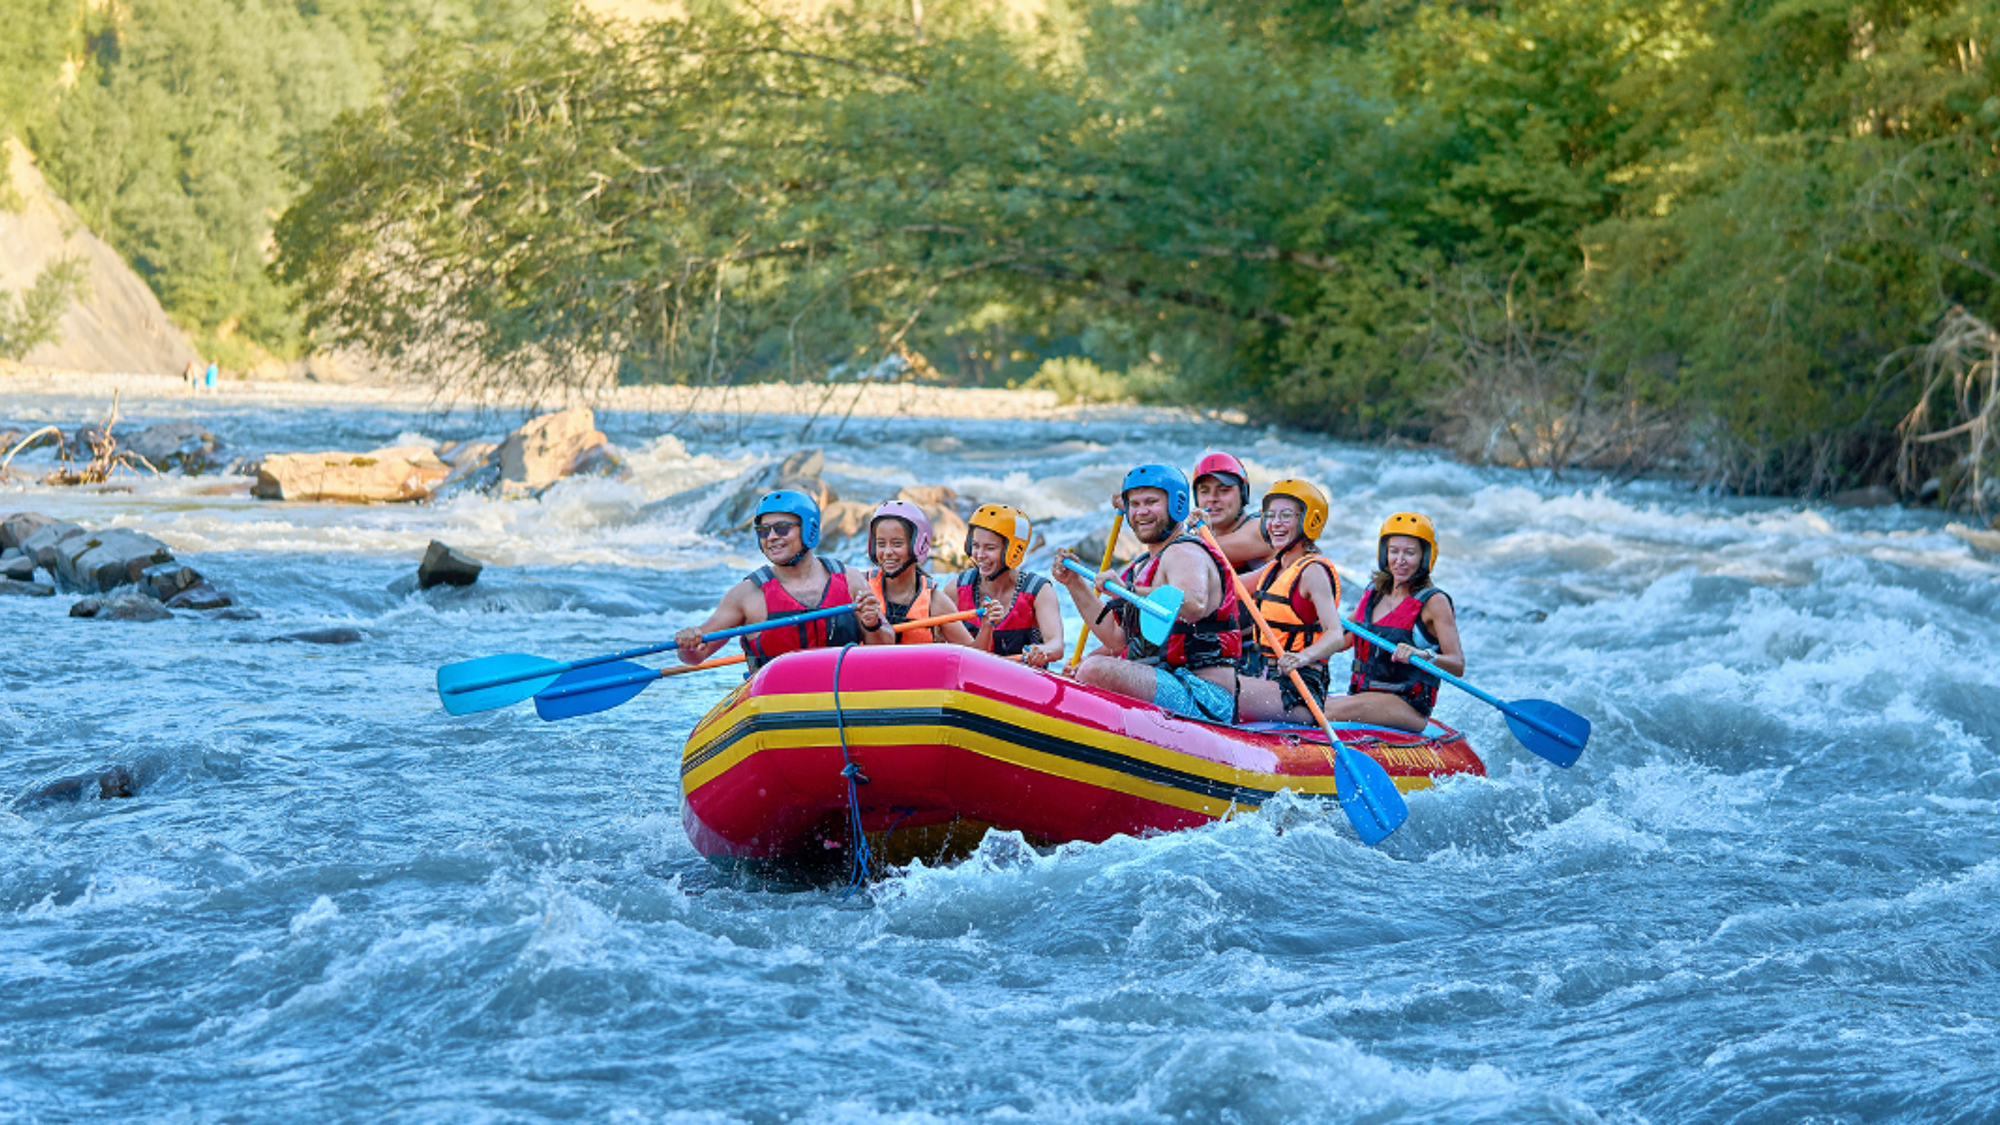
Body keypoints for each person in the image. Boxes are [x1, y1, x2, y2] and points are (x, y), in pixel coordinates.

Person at [1054, 464, 1242, 722]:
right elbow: (1116, 639)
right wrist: (1074, 584)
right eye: (1134, 504)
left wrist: (1127, 590)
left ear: (1177, 505)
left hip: (1204, 696)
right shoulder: (1139, 567)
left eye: (1151, 502)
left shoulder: (1184, 551)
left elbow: (1194, 602)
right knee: (1082, 669)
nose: (1141, 512)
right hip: (1163, 680)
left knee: (1095, 669)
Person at [674, 490, 892, 671]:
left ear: (809, 529)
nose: (771, 538)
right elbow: (696, 655)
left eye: (781, 528)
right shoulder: (746, 595)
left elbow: (886, 647)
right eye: (763, 531)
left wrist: (871, 625)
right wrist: (688, 644)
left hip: (842, 694)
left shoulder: (850, 579)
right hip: (777, 705)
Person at [1321, 512, 1464, 732]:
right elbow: (1342, 639)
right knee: (1306, 702)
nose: (1400, 560)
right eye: (1393, 551)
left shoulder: (1434, 602)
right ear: (1383, 553)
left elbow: (1457, 664)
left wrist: (1423, 655)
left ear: (1425, 557)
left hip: (1406, 705)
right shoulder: (1373, 594)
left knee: (1320, 711)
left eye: (1410, 553)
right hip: (1362, 696)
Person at [1233, 480, 1343, 723]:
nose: (1275, 523)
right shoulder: (1275, 568)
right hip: (1269, 676)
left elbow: (1335, 634)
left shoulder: (1313, 571)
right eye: (1270, 516)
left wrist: (1303, 657)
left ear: (1308, 521)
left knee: (1222, 692)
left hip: (1301, 690)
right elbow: (1230, 588)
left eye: (1286, 516)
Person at [946, 504, 1065, 666]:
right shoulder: (955, 589)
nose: (980, 555)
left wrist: (1043, 651)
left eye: (990, 548)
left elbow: (1056, 645)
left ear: (1013, 551)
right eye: (975, 546)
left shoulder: (1039, 591)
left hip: (1022, 683)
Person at [864, 500, 977, 645]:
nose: (887, 552)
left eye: (897, 544)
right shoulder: (861, 587)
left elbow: (972, 653)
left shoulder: (936, 603)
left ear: (920, 545)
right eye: (881, 544)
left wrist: (986, 627)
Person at [1194, 451, 1272, 575]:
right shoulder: (1197, 535)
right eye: (1204, 491)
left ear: (1242, 494)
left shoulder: (1262, 529)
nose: (1212, 498)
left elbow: (1201, 551)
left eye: (1223, 490)